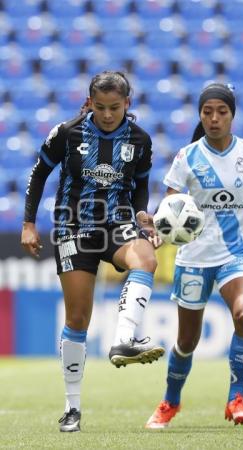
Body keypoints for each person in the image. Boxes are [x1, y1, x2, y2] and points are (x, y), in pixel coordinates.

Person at [21, 71, 164, 432]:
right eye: (100, 107)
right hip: (74, 226)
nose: (107, 114)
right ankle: (72, 408)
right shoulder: (67, 133)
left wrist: (143, 215)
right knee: (77, 319)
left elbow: (141, 184)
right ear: (89, 102)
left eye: (114, 107)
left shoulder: (140, 140)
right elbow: (39, 174)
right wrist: (28, 223)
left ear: (127, 104)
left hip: (118, 223)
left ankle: (122, 340)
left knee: (146, 258)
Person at [145, 82, 243, 429]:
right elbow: (168, 211)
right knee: (187, 341)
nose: (214, 119)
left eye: (222, 112)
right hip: (193, 259)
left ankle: (237, 397)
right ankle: (170, 401)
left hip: (235, 254)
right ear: (200, 115)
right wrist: (157, 231)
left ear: (233, 115)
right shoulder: (188, 157)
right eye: (207, 112)